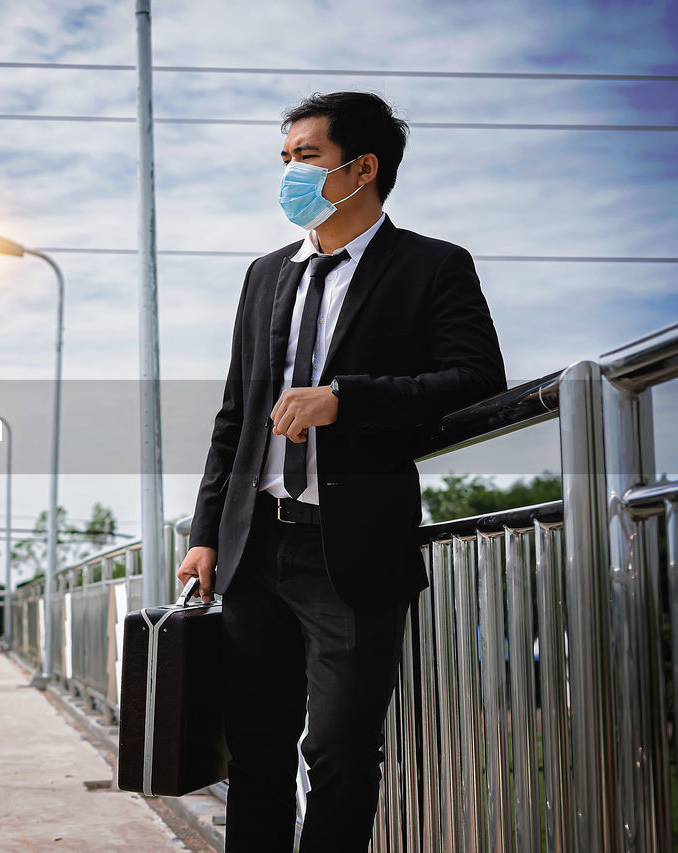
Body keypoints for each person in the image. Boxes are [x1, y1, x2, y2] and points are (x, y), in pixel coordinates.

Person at [176, 91, 506, 852]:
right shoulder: (266, 275)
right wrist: (205, 533)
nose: (289, 174)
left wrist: (344, 400)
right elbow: (236, 414)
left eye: (307, 157)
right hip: (254, 547)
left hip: (350, 553)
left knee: (340, 754)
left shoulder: (431, 267)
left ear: (363, 168)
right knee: (255, 750)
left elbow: (477, 377)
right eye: (286, 159)